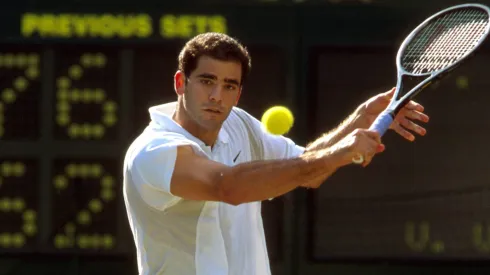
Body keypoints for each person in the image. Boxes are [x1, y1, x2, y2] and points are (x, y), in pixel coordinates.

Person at [122, 32, 429, 275]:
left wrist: (361, 118)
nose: (217, 96)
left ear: (239, 93)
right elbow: (227, 186)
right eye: (206, 81)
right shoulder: (152, 152)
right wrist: (340, 152)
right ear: (180, 83)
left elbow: (307, 167)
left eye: (229, 85)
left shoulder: (239, 123)